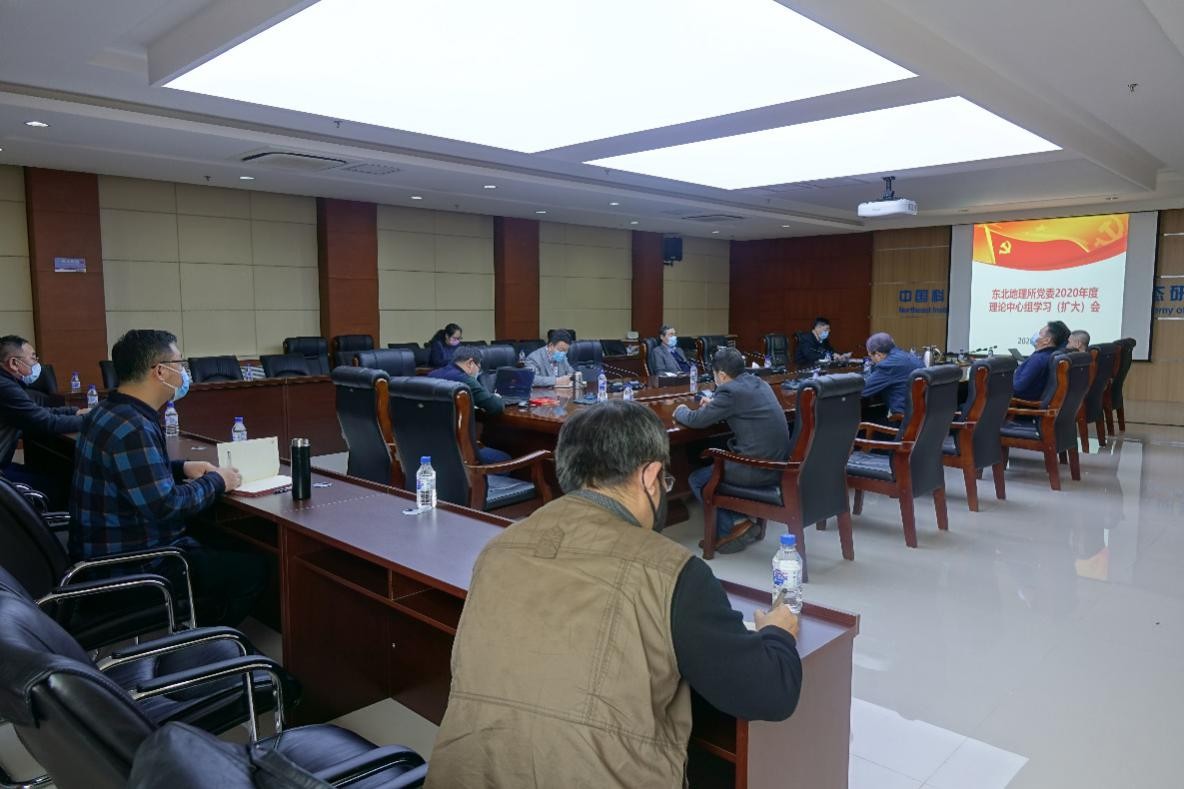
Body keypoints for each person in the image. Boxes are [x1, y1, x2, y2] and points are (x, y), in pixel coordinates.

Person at [427, 400, 801, 788]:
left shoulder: (497, 549)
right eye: (665, 482)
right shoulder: (673, 571)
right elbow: (770, 694)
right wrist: (778, 631)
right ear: (650, 476)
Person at [68, 329, 264, 627]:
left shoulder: (107, 411)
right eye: (179, 363)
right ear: (160, 371)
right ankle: (205, 639)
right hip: (134, 569)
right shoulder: (134, 428)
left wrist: (182, 467)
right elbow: (166, 504)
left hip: (100, 557)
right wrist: (218, 481)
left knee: (225, 542)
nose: (184, 372)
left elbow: (128, 471)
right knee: (254, 568)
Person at [674, 348, 792, 554]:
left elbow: (696, 420)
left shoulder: (729, 392)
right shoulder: (759, 383)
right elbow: (741, 406)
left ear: (721, 375)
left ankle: (734, 525)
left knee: (697, 479)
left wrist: (681, 410)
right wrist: (715, 405)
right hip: (778, 464)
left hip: (756, 468)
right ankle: (738, 522)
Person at [0, 335, 85, 503]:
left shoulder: (7, 383)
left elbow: (35, 412)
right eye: (33, 358)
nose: (37, 364)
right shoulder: (5, 387)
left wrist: (75, 412)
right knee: (62, 487)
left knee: (49, 474)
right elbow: (46, 422)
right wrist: (94, 419)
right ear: (14, 363)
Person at [427, 346, 511, 465]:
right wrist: (497, 398)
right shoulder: (465, 380)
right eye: (479, 367)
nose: (478, 372)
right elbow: (495, 407)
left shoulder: (431, 375)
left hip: (433, 446)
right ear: (470, 363)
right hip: (460, 451)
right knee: (504, 458)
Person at [861, 332, 923, 416]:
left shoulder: (887, 365)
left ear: (878, 355)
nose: (871, 360)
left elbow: (863, 391)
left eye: (870, 356)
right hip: (921, 418)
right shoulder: (913, 357)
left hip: (901, 420)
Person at [1013, 320, 1071, 401]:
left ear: (1047, 340)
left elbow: (1018, 388)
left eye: (1040, 333)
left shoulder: (1038, 359)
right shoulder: (1048, 355)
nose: (1036, 335)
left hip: (1019, 402)